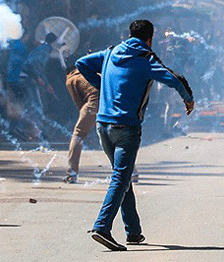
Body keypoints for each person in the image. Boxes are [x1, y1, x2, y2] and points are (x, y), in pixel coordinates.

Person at [76, 20, 194, 251]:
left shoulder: (111, 53)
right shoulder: (146, 60)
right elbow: (173, 79)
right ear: (150, 38)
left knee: (123, 175)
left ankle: (133, 232)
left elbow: (82, 63)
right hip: (127, 128)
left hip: (104, 126)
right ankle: (102, 227)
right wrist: (188, 99)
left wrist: (102, 85)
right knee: (121, 177)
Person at [63, 65, 99, 184]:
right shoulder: (94, 71)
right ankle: (131, 173)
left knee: (78, 134)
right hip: (110, 104)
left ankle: (71, 173)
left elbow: (79, 103)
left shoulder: (71, 79)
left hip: (93, 104)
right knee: (115, 138)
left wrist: (88, 120)